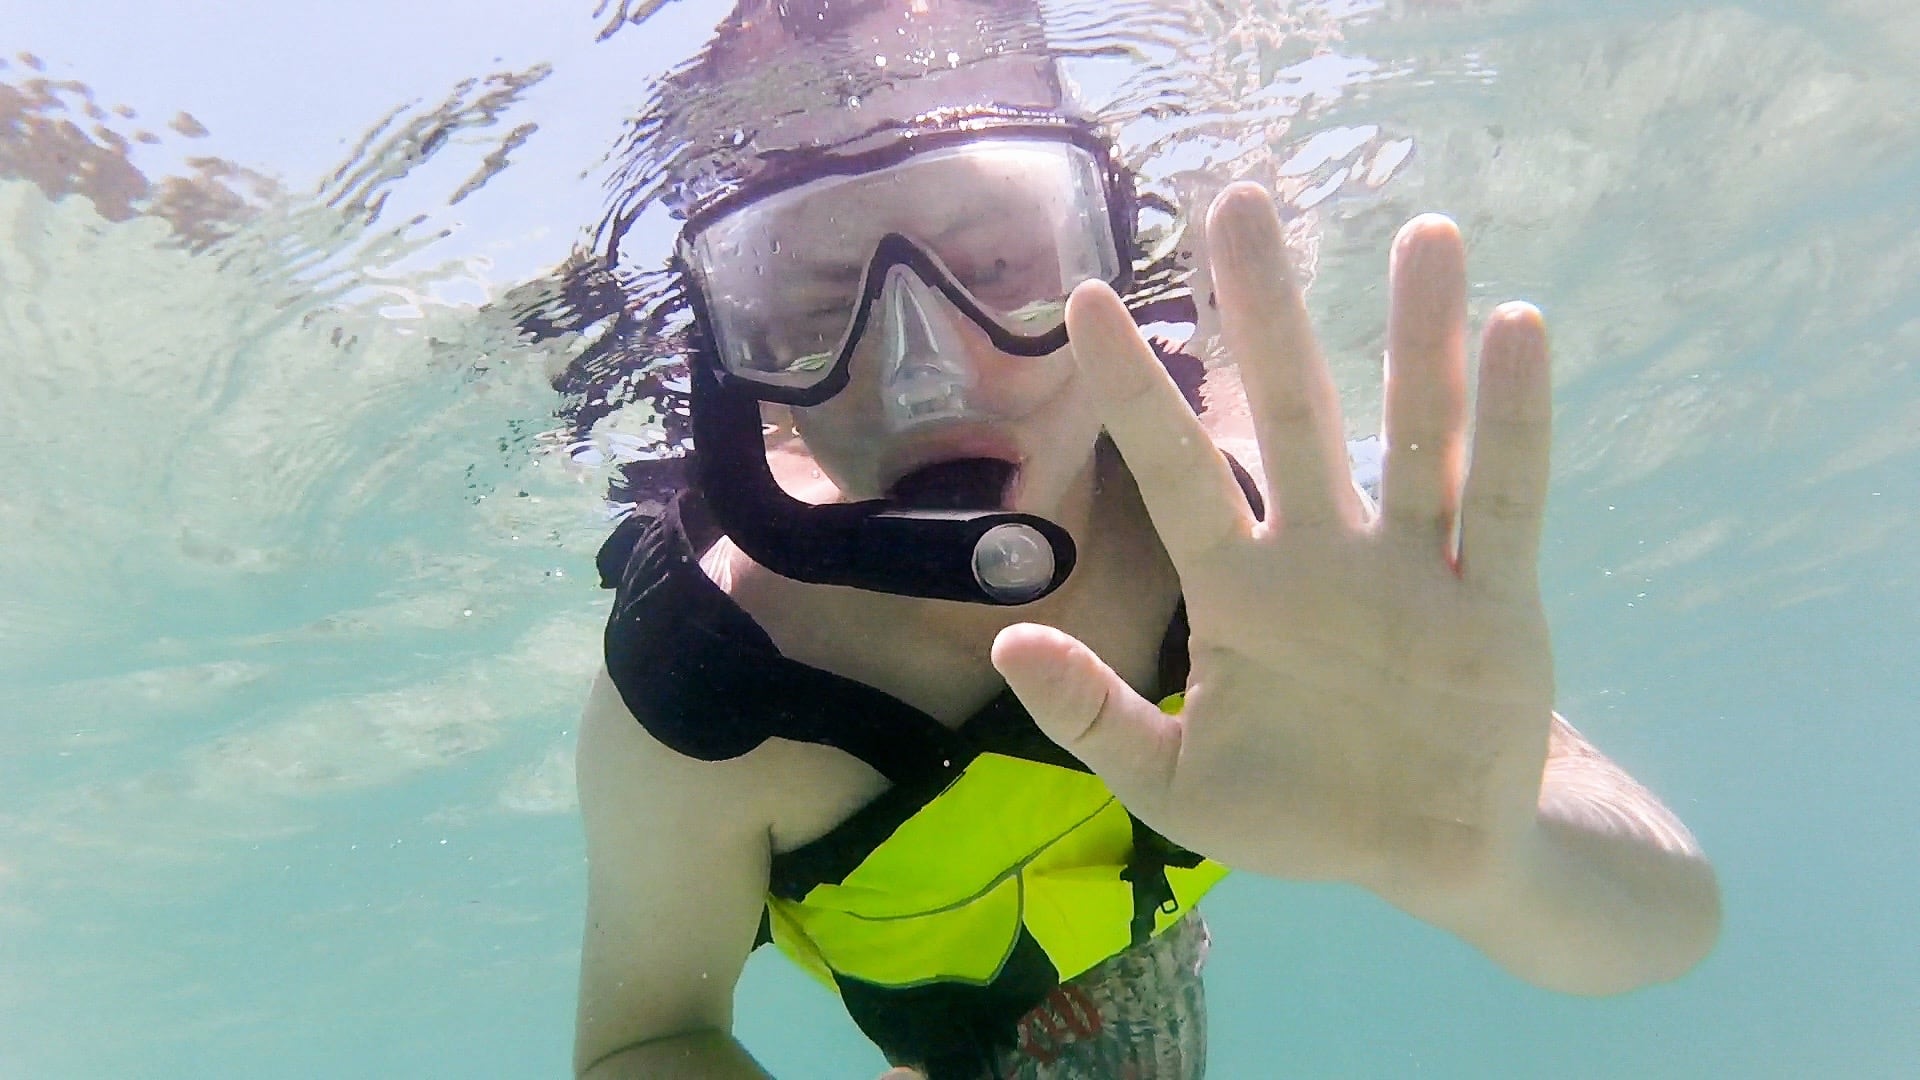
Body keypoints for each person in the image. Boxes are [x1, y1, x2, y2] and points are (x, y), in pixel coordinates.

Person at [571, 2, 1722, 1077]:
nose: (922, 369)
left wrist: (1480, 861)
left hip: (1148, 933)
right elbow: (647, 1035)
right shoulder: (705, 689)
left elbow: (1665, 925)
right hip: (948, 1024)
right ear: (737, 368)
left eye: (1001, 266)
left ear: (1111, 251)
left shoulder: (1274, 540)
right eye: (818, 307)